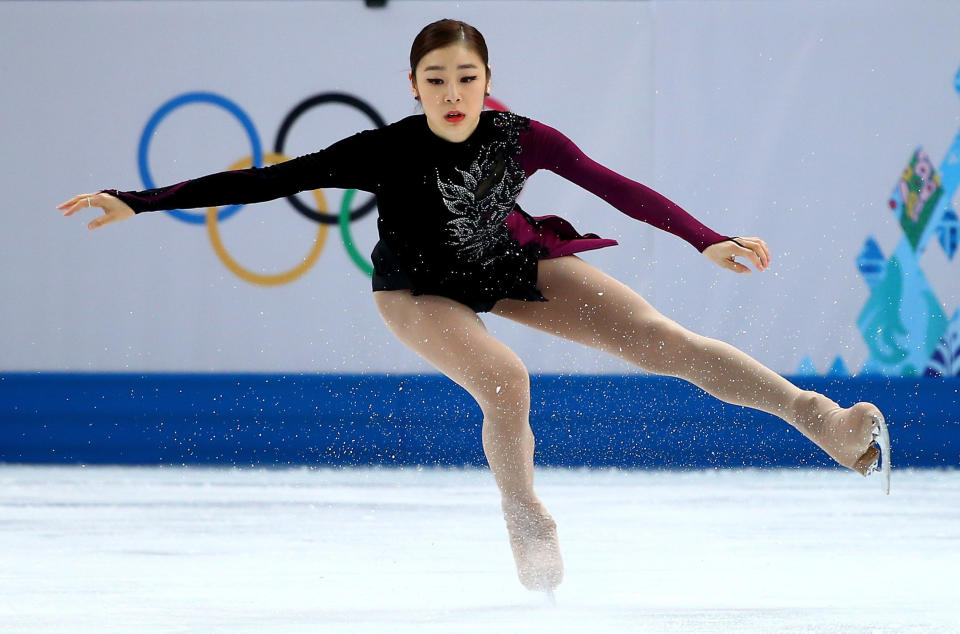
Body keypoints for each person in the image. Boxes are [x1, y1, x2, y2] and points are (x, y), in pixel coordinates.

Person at [59, 18, 890, 594]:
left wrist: (705, 237)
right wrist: (137, 199)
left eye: (467, 78)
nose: (452, 92)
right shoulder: (382, 147)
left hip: (509, 262)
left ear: (489, 82)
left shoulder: (523, 136)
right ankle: (526, 518)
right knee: (505, 379)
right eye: (435, 79)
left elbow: (615, 186)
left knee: (657, 336)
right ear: (413, 85)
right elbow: (264, 180)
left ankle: (823, 420)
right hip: (416, 290)